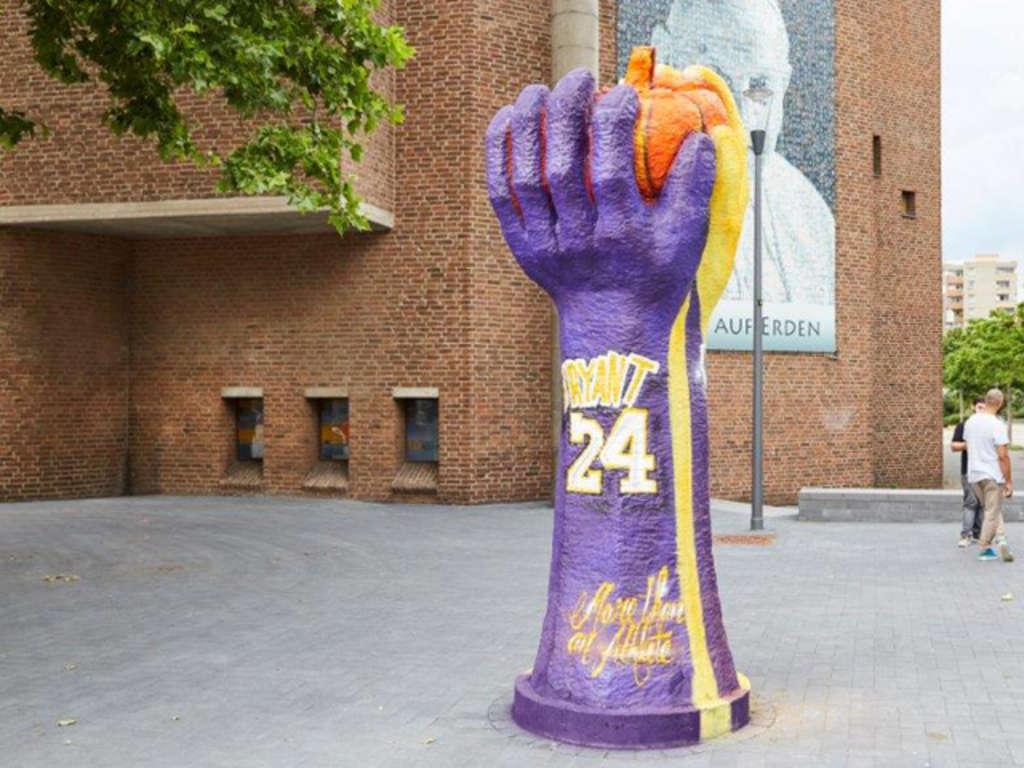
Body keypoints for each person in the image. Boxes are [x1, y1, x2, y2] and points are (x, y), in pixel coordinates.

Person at [651, 0, 835, 305]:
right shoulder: (620, 203)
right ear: (663, 56)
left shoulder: (810, 218)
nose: (740, 116)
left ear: (784, 84)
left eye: (760, 86)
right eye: (715, 80)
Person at [964, 389, 1014, 562]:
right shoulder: (997, 424)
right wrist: (1008, 481)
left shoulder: (970, 421)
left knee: (991, 509)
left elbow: (969, 444)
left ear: (985, 400)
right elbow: (1003, 456)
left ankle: (1001, 538)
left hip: (974, 475)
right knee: (992, 512)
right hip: (992, 475)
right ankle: (984, 548)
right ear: (1000, 404)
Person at [951, 397, 986, 547]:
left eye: (984, 408)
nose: (981, 410)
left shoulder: (989, 426)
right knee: (971, 502)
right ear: (973, 407)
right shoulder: (963, 425)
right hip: (969, 470)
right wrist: (970, 444)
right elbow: (954, 446)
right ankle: (966, 535)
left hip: (986, 471)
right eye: (979, 407)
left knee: (982, 504)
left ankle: (978, 534)